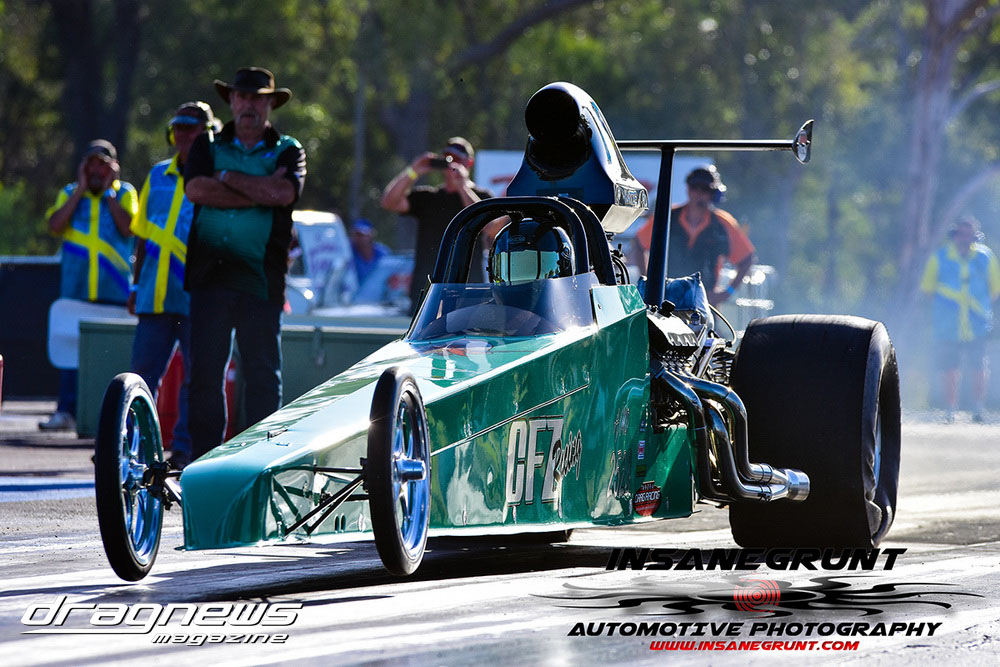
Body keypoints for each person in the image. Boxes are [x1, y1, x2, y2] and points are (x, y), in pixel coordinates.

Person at [183, 67, 306, 459]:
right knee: (205, 374)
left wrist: (225, 177)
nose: (248, 104)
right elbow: (195, 189)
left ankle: (258, 461)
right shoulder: (207, 144)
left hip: (261, 280)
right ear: (231, 101)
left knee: (262, 375)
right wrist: (259, 191)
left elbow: (283, 193)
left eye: (257, 98)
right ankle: (204, 460)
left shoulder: (288, 149)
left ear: (271, 104)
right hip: (209, 278)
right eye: (242, 96)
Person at [127, 101, 216, 467]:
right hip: (154, 294)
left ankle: (183, 452)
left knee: (196, 380)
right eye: (179, 128)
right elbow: (142, 236)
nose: (184, 135)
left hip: (198, 297)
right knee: (141, 377)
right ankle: (133, 448)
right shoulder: (157, 174)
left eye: (192, 128)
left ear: (207, 134)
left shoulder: (215, 176)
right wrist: (135, 286)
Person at [41, 140, 138, 430]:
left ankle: (115, 416)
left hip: (114, 291)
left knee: (113, 356)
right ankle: (66, 411)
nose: (96, 171)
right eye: (91, 164)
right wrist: (80, 190)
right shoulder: (70, 192)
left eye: (103, 165)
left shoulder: (125, 193)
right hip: (76, 290)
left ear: (114, 168)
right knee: (71, 351)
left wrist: (109, 192)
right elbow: (55, 225)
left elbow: (130, 229)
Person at [380, 137, 493, 313]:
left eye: (458, 159)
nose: (451, 164)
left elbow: (490, 227)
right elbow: (389, 202)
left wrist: (462, 186)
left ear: (469, 163)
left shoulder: (482, 197)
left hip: (466, 290)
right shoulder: (428, 197)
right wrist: (414, 170)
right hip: (427, 290)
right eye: (447, 158)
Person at [636, 165, 755, 305]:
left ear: (713, 193)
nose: (699, 193)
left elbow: (747, 259)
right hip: (665, 299)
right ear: (688, 189)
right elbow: (638, 244)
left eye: (705, 189)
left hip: (704, 303)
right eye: (695, 187)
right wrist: (648, 282)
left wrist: (727, 292)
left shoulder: (723, 223)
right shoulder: (667, 216)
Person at [920, 216, 1000, 422]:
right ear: (954, 235)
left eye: (969, 235)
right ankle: (950, 410)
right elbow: (928, 288)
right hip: (948, 324)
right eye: (961, 234)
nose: (965, 239)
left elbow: (995, 289)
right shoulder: (940, 257)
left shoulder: (985, 257)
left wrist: (978, 307)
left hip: (977, 323)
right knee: (949, 367)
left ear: (975, 236)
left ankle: (978, 409)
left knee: (979, 365)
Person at [349, 218, 389, 286]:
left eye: (362, 235)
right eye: (356, 234)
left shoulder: (382, 253)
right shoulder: (349, 252)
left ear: (371, 235)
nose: (359, 238)